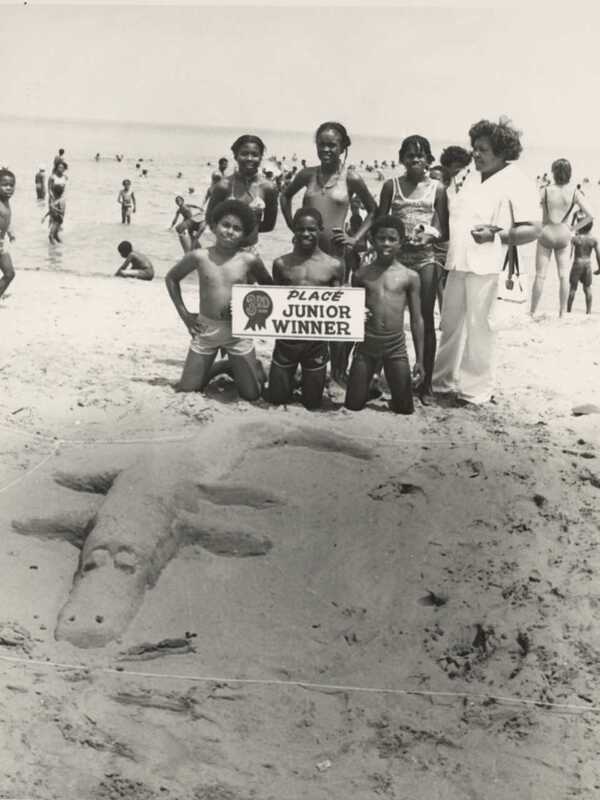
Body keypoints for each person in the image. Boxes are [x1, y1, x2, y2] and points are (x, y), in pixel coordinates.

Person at [432, 118, 540, 406]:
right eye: (475, 148)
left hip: (490, 266)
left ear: (502, 152)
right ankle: (441, 383)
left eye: (483, 149)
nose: (475, 154)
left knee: (481, 329)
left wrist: (498, 236)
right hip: (458, 262)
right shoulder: (470, 176)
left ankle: (474, 391)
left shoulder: (518, 182)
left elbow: (533, 229)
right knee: (450, 325)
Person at [280, 121, 377, 382]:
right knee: (302, 308)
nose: (326, 149)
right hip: (303, 253)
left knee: (335, 313)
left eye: (332, 144)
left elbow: (374, 210)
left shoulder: (351, 177)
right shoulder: (306, 175)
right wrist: (293, 226)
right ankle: (305, 366)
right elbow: (284, 196)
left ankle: (336, 373)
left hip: (335, 255)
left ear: (343, 146)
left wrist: (354, 238)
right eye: (322, 143)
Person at [165, 199, 272, 400]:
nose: (230, 231)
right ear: (213, 226)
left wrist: (248, 308)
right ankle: (222, 366)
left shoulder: (249, 260)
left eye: (237, 228)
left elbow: (269, 290)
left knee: (252, 395)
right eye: (226, 225)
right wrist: (185, 315)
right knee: (187, 390)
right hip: (206, 329)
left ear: (245, 234)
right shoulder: (199, 256)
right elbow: (171, 278)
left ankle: (237, 363)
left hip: (238, 331)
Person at [376, 135, 448, 403]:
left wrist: (429, 235)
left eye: (421, 154)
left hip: (424, 259)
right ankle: (382, 374)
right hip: (394, 260)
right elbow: (380, 224)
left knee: (424, 320)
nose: (415, 159)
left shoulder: (438, 189)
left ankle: (426, 382)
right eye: (409, 154)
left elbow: (444, 232)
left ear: (429, 159)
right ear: (401, 158)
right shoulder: (390, 186)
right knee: (386, 318)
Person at [345, 215, 424, 415]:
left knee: (405, 409)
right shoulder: (361, 275)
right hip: (366, 346)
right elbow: (350, 316)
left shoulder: (410, 276)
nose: (386, 244)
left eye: (392, 239)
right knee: (353, 405)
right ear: (372, 240)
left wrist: (420, 360)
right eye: (381, 238)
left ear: (401, 242)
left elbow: (417, 319)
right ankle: (369, 383)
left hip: (395, 348)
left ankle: (380, 385)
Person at [267, 208, 344, 410]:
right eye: (300, 229)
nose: (306, 234)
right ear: (294, 230)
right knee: (276, 398)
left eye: (311, 229)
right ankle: (288, 378)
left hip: (316, 344)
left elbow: (339, 305)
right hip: (286, 342)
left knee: (312, 403)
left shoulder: (334, 265)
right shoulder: (281, 264)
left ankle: (306, 379)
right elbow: (274, 304)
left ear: (320, 230)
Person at [530, 159, 594, 318]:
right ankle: (561, 313)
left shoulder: (544, 190)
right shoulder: (574, 192)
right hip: (564, 233)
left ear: (553, 172)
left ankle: (532, 312)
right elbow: (591, 216)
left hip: (546, 232)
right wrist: (573, 229)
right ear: (570, 173)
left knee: (540, 275)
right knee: (564, 275)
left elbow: (531, 209)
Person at [206, 135, 278, 251]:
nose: (249, 158)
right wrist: (228, 235)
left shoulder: (268, 188)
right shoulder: (224, 186)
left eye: (255, 154)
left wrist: (247, 232)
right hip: (222, 250)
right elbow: (210, 219)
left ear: (260, 157)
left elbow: (269, 224)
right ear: (235, 156)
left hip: (250, 250)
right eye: (244, 153)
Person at [568, 220, 599, 314]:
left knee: (573, 288)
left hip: (577, 263)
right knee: (588, 288)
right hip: (588, 264)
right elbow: (598, 254)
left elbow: (569, 253)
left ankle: (568, 311)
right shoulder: (593, 239)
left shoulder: (575, 239)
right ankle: (588, 312)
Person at [0, 169, 16, 300]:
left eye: (11, 185)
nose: (9, 188)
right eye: (4, 185)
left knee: (9, 273)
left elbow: (6, 219)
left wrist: (10, 232)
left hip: (2, 242)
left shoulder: (6, 201)